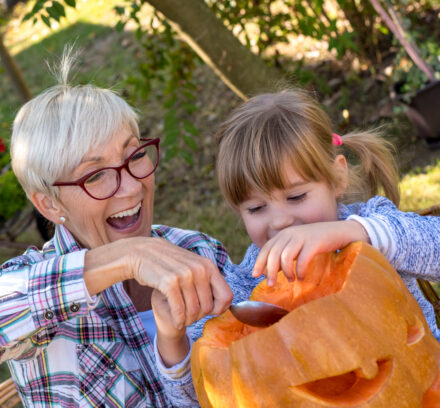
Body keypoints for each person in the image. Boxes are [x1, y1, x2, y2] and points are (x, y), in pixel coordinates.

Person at [0, 48, 234, 407]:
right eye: (94, 175)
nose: (131, 186)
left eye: (135, 155)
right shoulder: (34, 289)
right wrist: (122, 259)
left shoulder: (197, 251)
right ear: (49, 204)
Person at [153, 88, 440, 407]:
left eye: (296, 197)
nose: (279, 222)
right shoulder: (244, 288)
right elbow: (209, 394)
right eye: (256, 208)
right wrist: (172, 339)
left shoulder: (371, 223)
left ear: (337, 177)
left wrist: (351, 233)